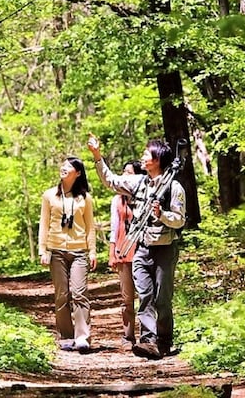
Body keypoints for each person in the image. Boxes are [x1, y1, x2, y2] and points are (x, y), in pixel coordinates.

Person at [87, 135, 185, 360]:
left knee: (162, 297)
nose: (142, 157)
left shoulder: (174, 187)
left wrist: (162, 215)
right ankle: (148, 341)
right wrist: (97, 156)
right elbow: (111, 181)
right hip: (141, 248)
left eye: (146, 154)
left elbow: (179, 220)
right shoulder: (139, 182)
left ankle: (164, 340)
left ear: (158, 159)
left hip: (165, 249)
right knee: (145, 295)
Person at [38, 156, 97, 353]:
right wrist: (43, 250)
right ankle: (66, 336)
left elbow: (90, 227)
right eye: (62, 164)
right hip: (56, 250)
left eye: (69, 166)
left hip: (79, 251)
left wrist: (93, 251)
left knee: (80, 292)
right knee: (62, 295)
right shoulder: (49, 196)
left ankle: (82, 337)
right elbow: (44, 225)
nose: (64, 168)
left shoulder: (85, 198)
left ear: (78, 173)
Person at [109, 160, 144, 349]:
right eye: (123, 172)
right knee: (126, 296)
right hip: (123, 249)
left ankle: (148, 334)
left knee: (146, 294)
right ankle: (128, 334)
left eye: (129, 173)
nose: (124, 176)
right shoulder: (117, 199)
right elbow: (114, 227)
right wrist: (112, 252)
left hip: (143, 248)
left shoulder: (145, 196)